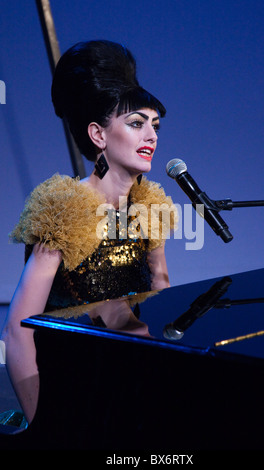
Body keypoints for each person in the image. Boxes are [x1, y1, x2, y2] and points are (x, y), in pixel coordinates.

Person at [1, 40, 177, 424]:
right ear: (98, 135)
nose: (152, 135)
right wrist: (41, 424)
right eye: (136, 124)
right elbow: (18, 330)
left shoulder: (149, 208)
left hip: (137, 385)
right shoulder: (65, 209)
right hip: (78, 391)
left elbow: (164, 302)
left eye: (155, 125)